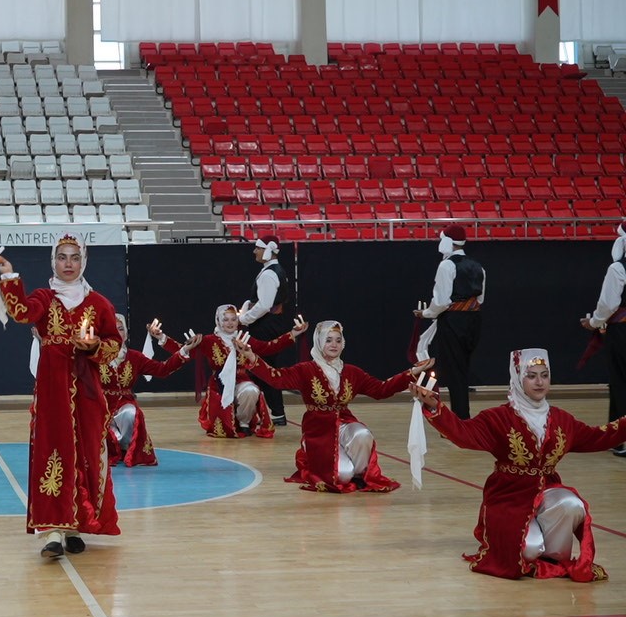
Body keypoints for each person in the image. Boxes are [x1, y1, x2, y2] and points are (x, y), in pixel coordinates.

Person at [412, 348, 626, 581]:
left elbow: (598, 437)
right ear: (517, 377)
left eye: (544, 375)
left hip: (545, 493)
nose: (539, 382)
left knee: (572, 504)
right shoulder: (497, 418)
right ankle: (533, 544)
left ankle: (554, 557)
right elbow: (463, 434)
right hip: (507, 498)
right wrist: (435, 408)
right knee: (528, 551)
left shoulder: (562, 420)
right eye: (531, 375)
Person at [0, 234, 122, 559]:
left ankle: (76, 525)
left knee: (87, 455)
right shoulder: (45, 298)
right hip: (52, 391)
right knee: (53, 453)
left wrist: (94, 348)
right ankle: (51, 532)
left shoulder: (98, 303)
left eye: (74, 258)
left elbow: (113, 343)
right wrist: (8, 273)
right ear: (53, 262)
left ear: (83, 262)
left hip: (87, 392)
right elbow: (21, 312)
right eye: (62, 257)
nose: (68, 264)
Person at [236, 320, 433, 493]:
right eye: (329, 340)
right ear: (320, 342)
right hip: (318, 431)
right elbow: (275, 378)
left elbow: (381, 389)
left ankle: (360, 474)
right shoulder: (306, 370)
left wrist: (412, 372)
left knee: (363, 434)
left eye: (338, 340)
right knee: (341, 476)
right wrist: (252, 357)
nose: (334, 345)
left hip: (343, 423)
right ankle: (338, 466)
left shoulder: (352, 372)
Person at [155, 304, 307, 439]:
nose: (230, 323)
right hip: (218, 385)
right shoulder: (209, 341)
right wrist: (161, 337)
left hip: (241, 380)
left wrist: (293, 334)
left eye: (233, 319)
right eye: (226, 319)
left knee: (252, 390)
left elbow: (269, 347)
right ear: (219, 321)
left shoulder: (244, 339)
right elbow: (182, 350)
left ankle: (244, 422)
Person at [101, 314, 198, 466]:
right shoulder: (95, 356)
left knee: (130, 413)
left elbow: (162, 369)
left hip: (124, 403)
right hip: (100, 404)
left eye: (120, 329)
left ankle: (124, 447)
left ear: (125, 333)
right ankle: (110, 447)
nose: (117, 333)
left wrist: (183, 350)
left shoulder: (135, 357)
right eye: (112, 329)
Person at [415, 224, 485, 419]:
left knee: (455, 370)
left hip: (454, 321)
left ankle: (460, 418)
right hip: (474, 320)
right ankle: (460, 414)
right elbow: (480, 299)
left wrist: (426, 313)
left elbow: (441, 301)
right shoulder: (477, 266)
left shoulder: (446, 265)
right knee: (460, 367)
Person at [580, 222, 626, 457]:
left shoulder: (618, 269)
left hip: (622, 332)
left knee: (621, 382)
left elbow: (608, 304)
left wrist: (595, 322)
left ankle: (621, 439)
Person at [238, 234, 294, 426]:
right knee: (262, 368)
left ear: (268, 250)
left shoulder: (270, 274)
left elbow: (264, 305)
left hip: (265, 326)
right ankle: (272, 412)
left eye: (257, 248)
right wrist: (247, 305)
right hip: (270, 324)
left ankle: (276, 412)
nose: (254, 251)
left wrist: (244, 318)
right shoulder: (272, 271)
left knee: (263, 368)